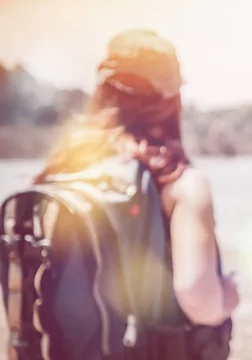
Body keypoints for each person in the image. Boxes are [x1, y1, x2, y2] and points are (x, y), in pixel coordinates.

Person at [33, 29, 240, 327]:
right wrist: (228, 297)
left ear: (102, 92)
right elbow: (198, 299)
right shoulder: (180, 182)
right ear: (171, 98)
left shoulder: (62, 169)